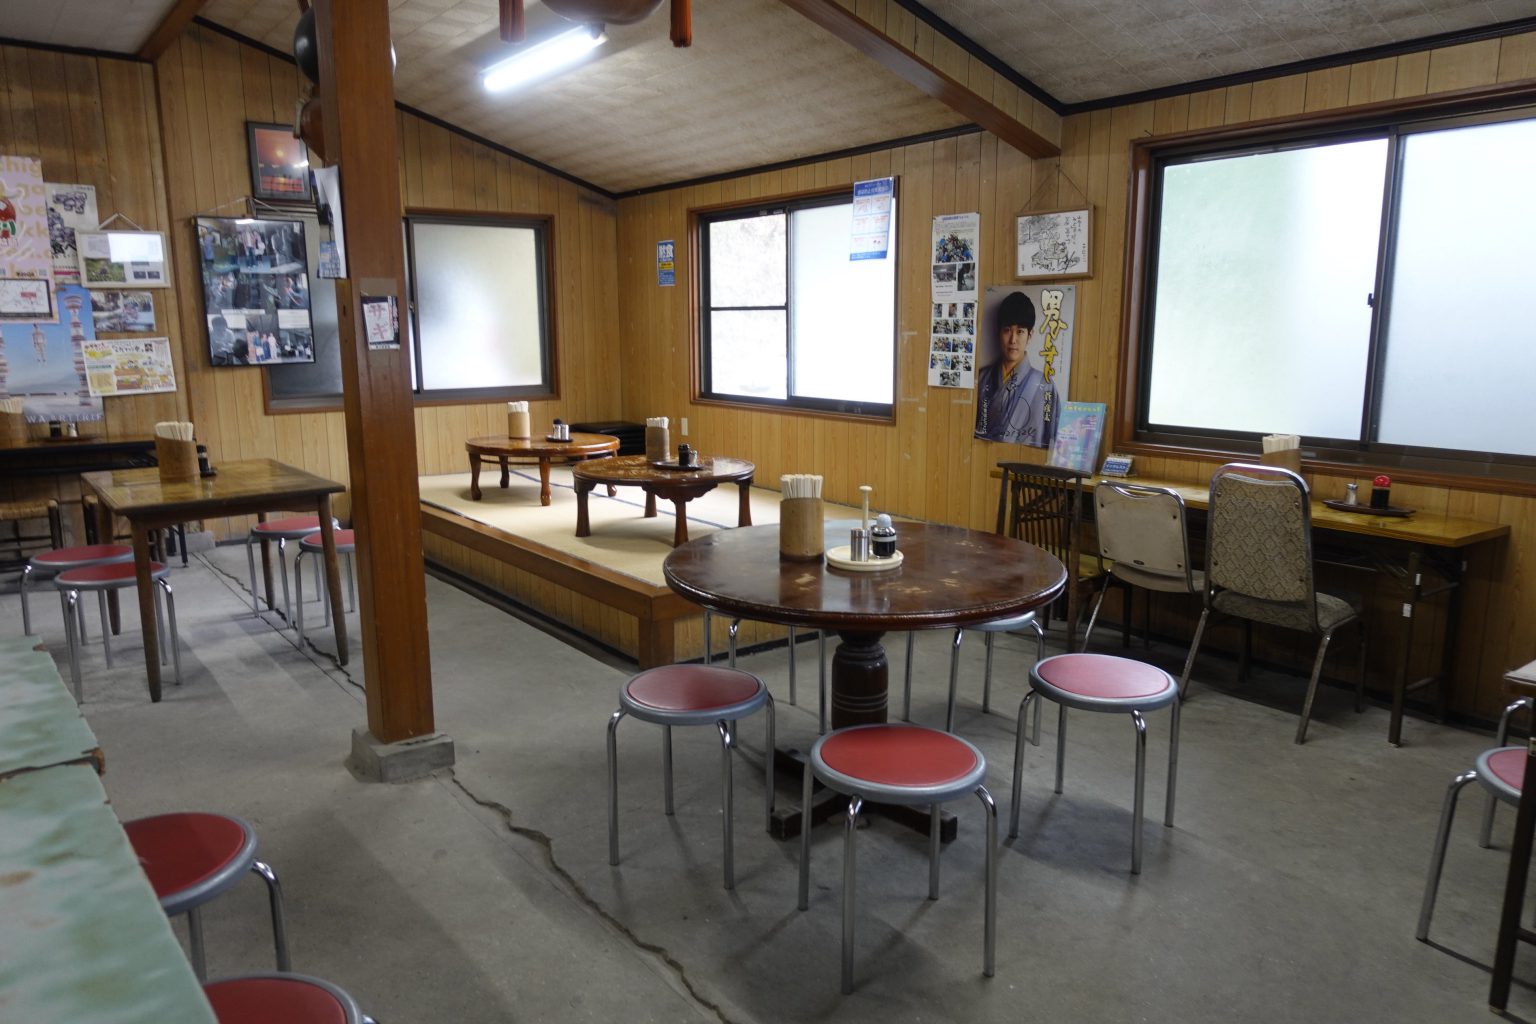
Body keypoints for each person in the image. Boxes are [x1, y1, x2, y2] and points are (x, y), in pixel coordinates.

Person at [974, 290, 1058, 447]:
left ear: (1030, 335)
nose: (1013, 340)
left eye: (1020, 331)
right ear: (998, 332)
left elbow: (1052, 439)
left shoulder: (1046, 385)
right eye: (1007, 330)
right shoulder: (981, 378)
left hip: (1030, 466)